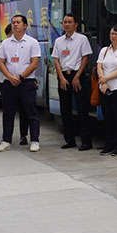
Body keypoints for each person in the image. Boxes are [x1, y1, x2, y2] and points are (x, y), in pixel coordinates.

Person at [0, 14, 42, 152]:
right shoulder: (5, 43)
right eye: (13, 22)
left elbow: (34, 63)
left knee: (31, 112)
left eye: (18, 22)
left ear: (25, 25)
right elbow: (1, 62)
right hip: (9, 83)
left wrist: (21, 77)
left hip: (26, 82)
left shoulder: (32, 42)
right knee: (8, 112)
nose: (15, 25)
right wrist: (10, 77)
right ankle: (6, 140)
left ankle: (35, 140)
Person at [52, 13, 94, 151]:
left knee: (82, 109)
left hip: (77, 76)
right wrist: (61, 77)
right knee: (65, 110)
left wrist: (77, 76)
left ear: (76, 25)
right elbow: (56, 60)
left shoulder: (82, 39)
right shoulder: (59, 41)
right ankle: (69, 140)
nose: (67, 24)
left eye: (70, 22)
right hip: (63, 76)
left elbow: (85, 58)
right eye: (65, 22)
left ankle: (86, 141)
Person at [96, 24, 117, 156]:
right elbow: (99, 66)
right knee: (107, 118)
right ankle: (108, 145)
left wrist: (106, 78)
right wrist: (103, 81)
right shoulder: (104, 50)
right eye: (112, 33)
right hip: (105, 89)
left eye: (116, 33)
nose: (113, 36)